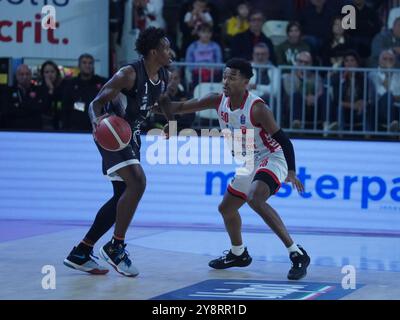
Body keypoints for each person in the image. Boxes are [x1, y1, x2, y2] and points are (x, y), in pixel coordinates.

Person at [161, 58, 311, 280]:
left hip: (273, 157)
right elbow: (179, 107)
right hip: (250, 161)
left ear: (246, 82)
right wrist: (151, 105)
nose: (226, 81)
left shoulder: (258, 108)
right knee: (226, 209)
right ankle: (238, 253)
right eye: (224, 76)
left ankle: (296, 253)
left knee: (255, 199)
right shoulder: (217, 100)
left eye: (232, 77)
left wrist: (291, 171)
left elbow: (284, 141)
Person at [63, 27, 173, 277]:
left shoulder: (162, 75)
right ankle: (116, 246)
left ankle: (82, 251)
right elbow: (96, 103)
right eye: (166, 48)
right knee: (138, 182)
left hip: (131, 136)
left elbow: (158, 102)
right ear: (154, 52)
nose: (171, 52)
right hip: (112, 133)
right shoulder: (128, 74)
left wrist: (172, 122)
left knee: (122, 196)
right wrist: (96, 123)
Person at [62, 54, 107, 131]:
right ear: (79, 65)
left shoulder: (102, 82)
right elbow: (65, 108)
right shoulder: (70, 84)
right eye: (84, 63)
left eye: (90, 63)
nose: (87, 65)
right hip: (75, 128)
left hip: (98, 127)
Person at [2, 64, 44, 130]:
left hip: (34, 130)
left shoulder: (38, 90)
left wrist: (20, 106)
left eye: (27, 74)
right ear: (16, 76)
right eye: (21, 74)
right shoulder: (8, 91)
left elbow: (40, 109)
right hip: (13, 130)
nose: (25, 77)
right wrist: (29, 107)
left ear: (31, 76)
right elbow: (7, 111)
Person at [37, 60, 65, 130]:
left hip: (62, 125)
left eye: (52, 72)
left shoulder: (64, 88)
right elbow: (44, 108)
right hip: (44, 125)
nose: (50, 75)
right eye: (46, 72)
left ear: (57, 73)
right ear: (42, 74)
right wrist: (51, 89)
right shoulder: (38, 90)